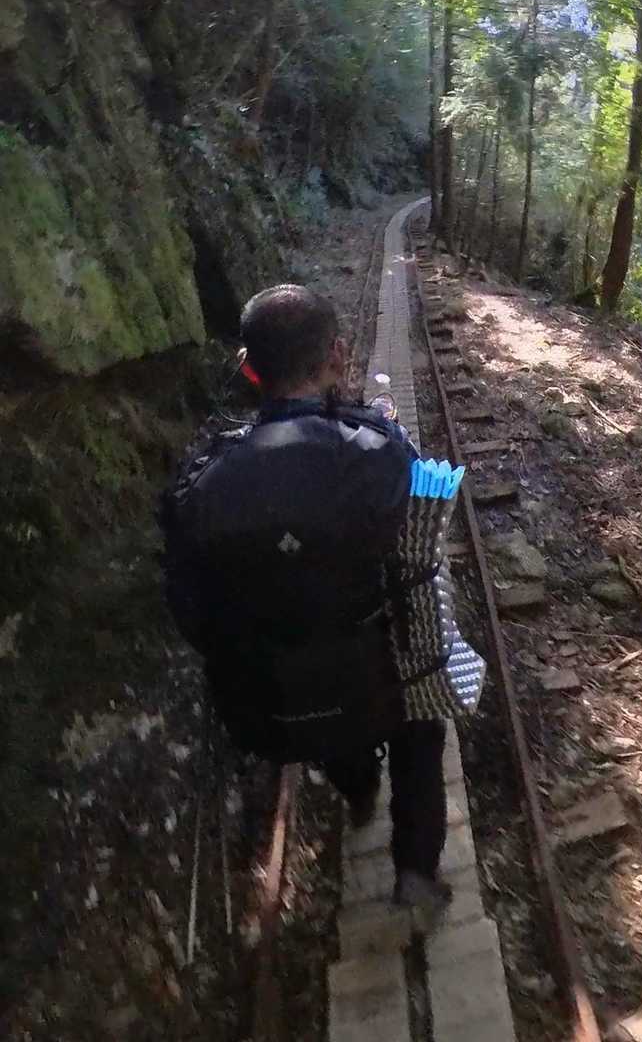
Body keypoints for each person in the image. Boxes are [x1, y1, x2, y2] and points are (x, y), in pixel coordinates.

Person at [160, 284, 450, 911]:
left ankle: (358, 789)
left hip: (264, 705)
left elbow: (190, 613)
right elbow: (414, 560)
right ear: (337, 356)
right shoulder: (377, 453)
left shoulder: (201, 483)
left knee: (336, 710)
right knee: (419, 719)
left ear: (248, 369)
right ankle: (416, 869)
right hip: (371, 682)